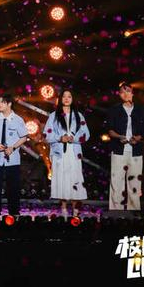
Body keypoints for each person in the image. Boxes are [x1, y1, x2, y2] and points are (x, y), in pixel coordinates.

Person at [43, 89, 90, 218]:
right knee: (61, 180)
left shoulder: (79, 116)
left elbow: (86, 134)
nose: (66, 99)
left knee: (75, 179)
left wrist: (74, 138)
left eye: (69, 96)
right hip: (59, 153)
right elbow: (46, 134)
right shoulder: (54, 116)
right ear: (60, 99)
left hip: (74, 152)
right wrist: (60, 138)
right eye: (64, 96)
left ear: (73, 99)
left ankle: (75, 210)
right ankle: (63, 209)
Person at [106, 82, 144, 211]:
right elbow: (110, 130)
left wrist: (138, 137)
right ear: (119, 95)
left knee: (135, 183)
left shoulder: (140, 109)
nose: (125, 94)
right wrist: (120, 137)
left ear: (132, 93)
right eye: (122, 92)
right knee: (116, 183)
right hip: (119, 150)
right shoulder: (114, 109)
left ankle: (134, 211)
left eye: (128, 91)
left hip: (136, 151)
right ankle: (116, 211)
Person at [0, 94, 28, 216]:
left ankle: (14, 212)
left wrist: (13, 147)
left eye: (2, 102)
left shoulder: (18, 119)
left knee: (13, 187)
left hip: (12, 158)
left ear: (9, 104)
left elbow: (24, 137)